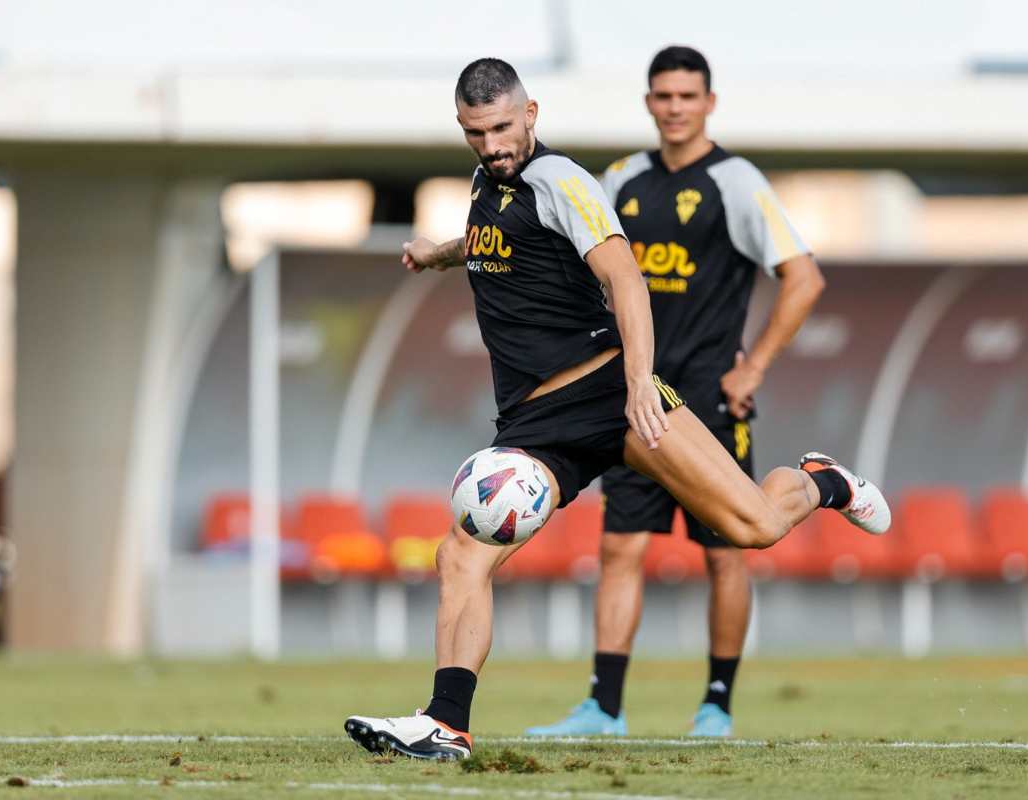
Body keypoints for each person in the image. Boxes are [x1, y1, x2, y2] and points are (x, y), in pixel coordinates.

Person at [344, 57, 889, 761]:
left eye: (505, 128)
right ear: (463, 128)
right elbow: (495, 247)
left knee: (751, 527)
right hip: (537, 427)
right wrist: (440, 253)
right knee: (462, 555)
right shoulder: (488, 185)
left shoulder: (564, 180)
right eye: (478, 133)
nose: (493, 144)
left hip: (609, 393)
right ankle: (448, 721)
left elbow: (626, 279)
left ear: (531, 114)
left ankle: (823, 481)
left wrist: (638, 382)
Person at [525, 45, 824, 740]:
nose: (675, 107)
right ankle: (604, 707)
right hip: (636, 399)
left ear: (709, 103)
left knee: (725, 550)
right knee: (621, 548)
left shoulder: (737, 181)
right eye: (663, 96)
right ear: (648, 102)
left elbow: (803, 277)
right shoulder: (622, 179)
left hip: (710, 402)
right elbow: (572, 257)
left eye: (688, 96)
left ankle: (717, 703)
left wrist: (752, 371)